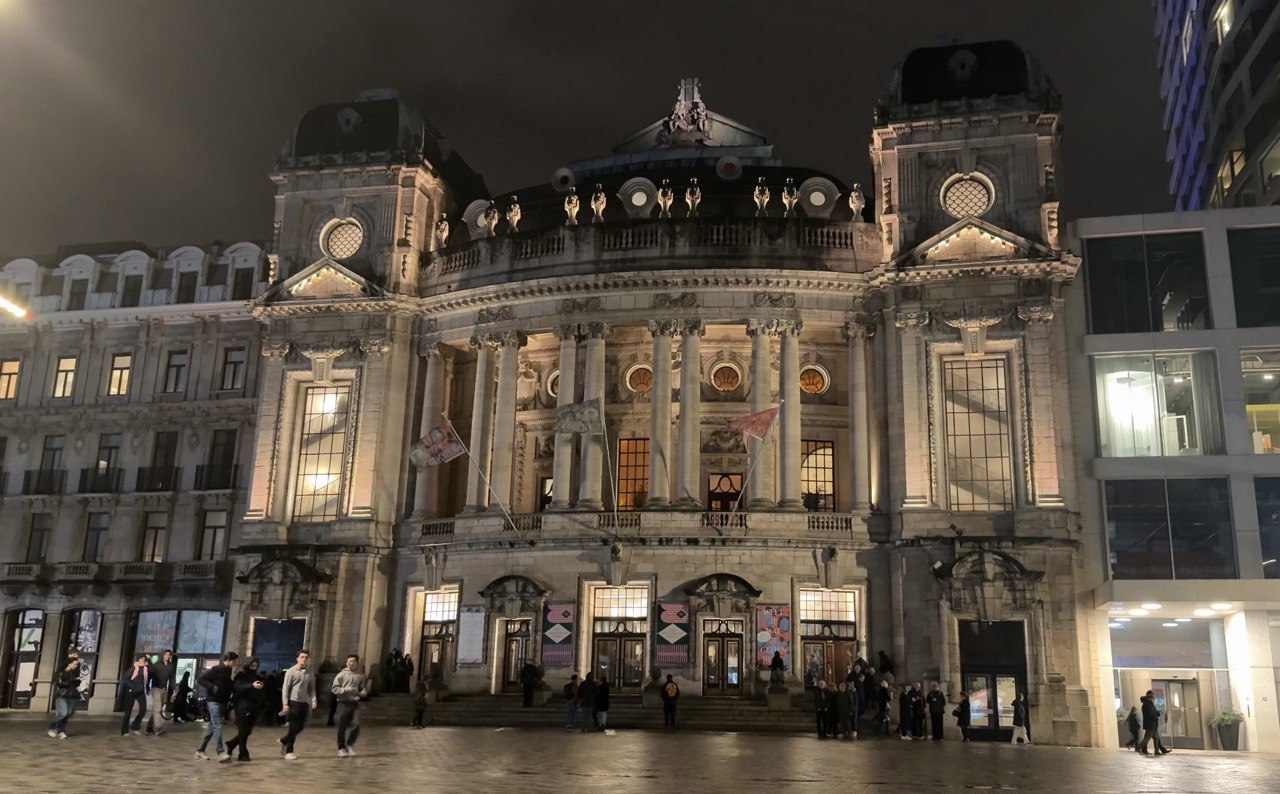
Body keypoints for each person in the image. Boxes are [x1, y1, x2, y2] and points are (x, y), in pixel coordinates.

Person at [195, 651, 238, 762]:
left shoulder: (228, 671)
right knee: (217, 725)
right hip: (213, 701)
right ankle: (220, 752)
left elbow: (229, 685)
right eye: (234, 661)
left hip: (223, 702)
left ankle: (200, 751)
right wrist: (213, 687)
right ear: (228, 660)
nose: (235, 663)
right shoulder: (216, 669)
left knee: (211, 727)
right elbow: (201, 679)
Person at [279, 649, 317, 760]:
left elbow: (312, 688)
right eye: (302, 657)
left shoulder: (310, 672)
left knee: (302, 725)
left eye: (306, 657)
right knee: (293, 726)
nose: (304, 659)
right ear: (297, 658)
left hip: (304, 702)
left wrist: (314, 699)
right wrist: (285, 703)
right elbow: (285, 689)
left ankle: (284, 740)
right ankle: (289, 751)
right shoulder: (291, 671)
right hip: (293, 701)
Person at [225, 658, 265, 762]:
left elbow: (260, 691)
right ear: (248, 664)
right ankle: (243, 753)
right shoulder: (241, 675)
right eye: (252, 664)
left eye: (256, 665)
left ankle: (232, 744)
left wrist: (260, 687)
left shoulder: (257, 676)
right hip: (242, 705)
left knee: (247, 731)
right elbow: (237, 687)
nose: (254, 667)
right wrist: (252, 685)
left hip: (254, 706)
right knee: (243, 730)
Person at [332, 653, 369, 757]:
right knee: (341, 726)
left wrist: (363, 693)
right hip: (343, 703)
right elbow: (334, 689)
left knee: (356, 725)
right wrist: (345, 689)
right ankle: (341, 748)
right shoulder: (341, 675)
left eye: (352, 661)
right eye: (348, 661)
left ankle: (349, 745)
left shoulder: (360, 675)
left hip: (355, 703)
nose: (349, 663)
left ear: (356, 662)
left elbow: (363, 688)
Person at [48, 650, 82, 739]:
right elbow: (56, 682)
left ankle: (61, 730)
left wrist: (77, 681)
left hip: (71, 694)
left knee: (68, 713)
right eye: (74, 664)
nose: (76, 665)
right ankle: (52, 728)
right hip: (62, 694)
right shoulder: (61, 671)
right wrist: (68, 682)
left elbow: (76, 678)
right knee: (63, 713)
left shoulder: (74, 671)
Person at [145, 649, 176, 735]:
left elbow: (172, 678)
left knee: (156, 709)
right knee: (158, 709)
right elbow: (150, 676)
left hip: (164, 690)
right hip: (156, 689)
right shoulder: (157, 665)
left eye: (169, 654)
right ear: (162, 655)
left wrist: (174, 689)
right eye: (166, 654)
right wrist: (148, 687)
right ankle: (158, 729)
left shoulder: (170, 666)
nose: (167, 656)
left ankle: (149, 728)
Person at [120, 654, 150, 736]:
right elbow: (126, 680)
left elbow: (146, 680)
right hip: (131, 691)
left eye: (145, 658)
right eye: (142, 658)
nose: (144, 660)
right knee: (128, 712)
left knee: (143, 709)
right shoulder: (133, 668)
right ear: (138, 659)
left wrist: (146, 688)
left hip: (140, 692)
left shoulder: (146, 668)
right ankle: (124, 731)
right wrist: (133, 687)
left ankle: (135, 726)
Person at [1138, 691, 1170, 756]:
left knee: (1156, 738)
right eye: (1153, 696)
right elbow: (1151, 714)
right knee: (1147, 738)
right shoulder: (1147, 704)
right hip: (1151, 724)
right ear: (1150, 697)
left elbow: (1152, 712)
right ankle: (1139, 748)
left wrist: (1157, 712)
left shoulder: (1148, 703)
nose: (1154, 698)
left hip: (1152, 724)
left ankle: (1158, 751)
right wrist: (1157, 714)